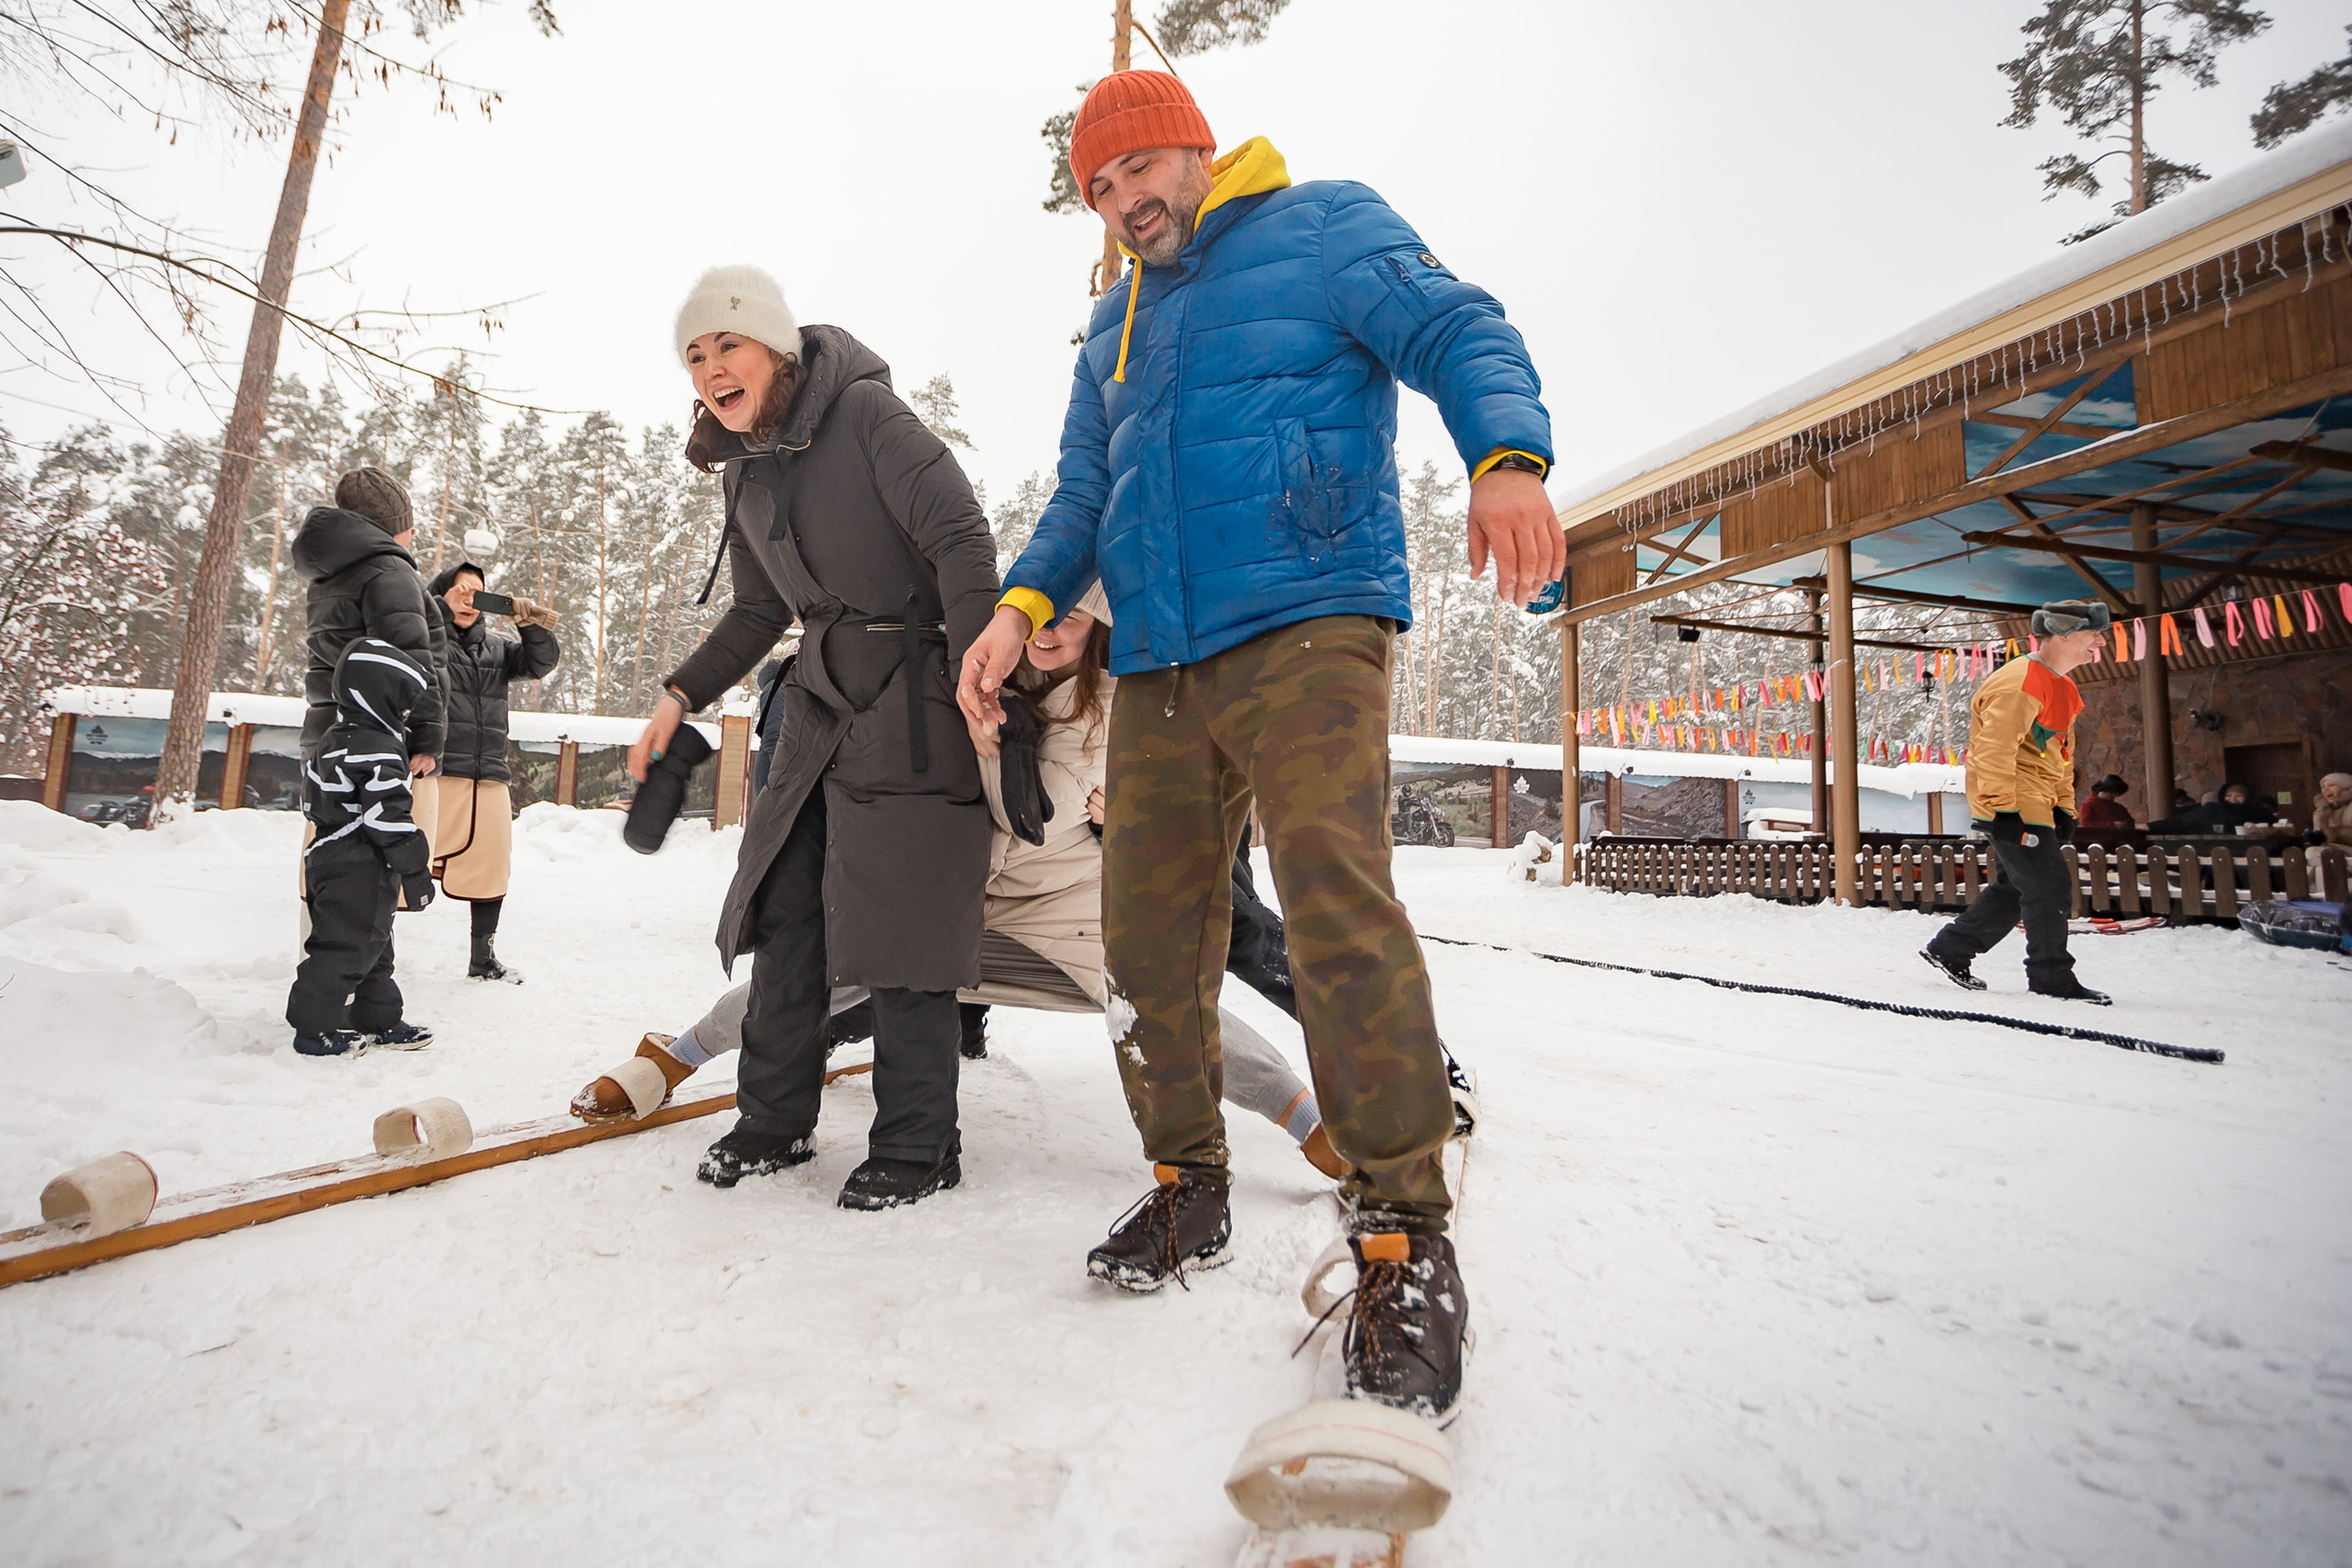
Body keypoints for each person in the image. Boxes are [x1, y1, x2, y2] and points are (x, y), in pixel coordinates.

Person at [956, 71, 1559, 1424]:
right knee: (1147, 937)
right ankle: (1189, 1180)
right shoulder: (1111, 326)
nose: (1122, 207)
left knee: (1334, 893)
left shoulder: (1326, 226)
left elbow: (1459, 326)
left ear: (1192, 147)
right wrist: (1024, 605)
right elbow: (1082, 495)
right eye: (1098, 192)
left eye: (1133, 175)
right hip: (1162, 660)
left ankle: (1405, 1232)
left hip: (1310, 618)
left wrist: (1506, 453)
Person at [575, 588, 1351, 1180]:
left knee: (1168, 1007)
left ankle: (1307, 1115)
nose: (1047, 634)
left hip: (1068, 915)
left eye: (1069, 621)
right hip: (963, 903)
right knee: (816, 971)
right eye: (1038, 616)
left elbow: (1210, 797)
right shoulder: (974, 686)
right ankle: (672, 1056)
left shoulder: (1137, 713)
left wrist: (1145, 820)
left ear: (1099, 628)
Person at [628, 266, 1000, 1212]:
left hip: (919, 698)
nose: (710, 369)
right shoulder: (746, 466)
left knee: (901, 931)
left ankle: (919, 1146)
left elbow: (961, 538)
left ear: (776, 349)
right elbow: (759, 611)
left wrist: (976, 674)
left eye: (727, 346)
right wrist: (680, 694)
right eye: (695, 355)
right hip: (823, 706)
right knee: (788, 915)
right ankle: (770, 1122)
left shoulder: (870, 418)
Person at [289, 467, 445, 1011]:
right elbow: (414, 663)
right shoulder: (388, 572)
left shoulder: (327, 574)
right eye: (407, 525)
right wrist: (427, 735)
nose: (413, 536)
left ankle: (364, 993)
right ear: (389, 526)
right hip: (376, 735)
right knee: (377, 867)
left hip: (327, 739)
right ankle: (337, 1001)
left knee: (339, 867)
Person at [1922, 601, 2111, 1004]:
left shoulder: (2064, 687)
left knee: (2017, 887)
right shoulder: (2021, 680)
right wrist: (2002, 809)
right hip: (2013, 798)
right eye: (2093, 632)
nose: (2101, 640)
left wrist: (2063, 805)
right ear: (2064, 634)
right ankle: (2051, 977)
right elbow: (1993, 749)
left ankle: (1952, 948)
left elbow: (2062, 754)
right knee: (2048, 885)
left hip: (2035, 799)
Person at [286, 639, 439, 1056]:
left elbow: (316, 803)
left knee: (372, 944)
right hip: (357, 862)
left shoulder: (336, 739)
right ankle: (313, 1029)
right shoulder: (375, 746)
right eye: (402, 705)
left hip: (333, 857)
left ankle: (377, 1016)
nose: (405, 716)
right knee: (343, 949)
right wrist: (415, 871)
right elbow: (386, 817)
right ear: (379, 696)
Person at [420, 562, 560, 983]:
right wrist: (437, 613)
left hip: (490, 775)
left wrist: (530, 625)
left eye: (478, 592)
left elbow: (540, 663)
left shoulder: (497, 649)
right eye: (460, 590)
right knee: (407, 859)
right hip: (439, 772)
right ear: (440, 595)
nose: (469, 598)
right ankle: (375, 952)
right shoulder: (424, 639)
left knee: (492, 866)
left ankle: (483, 957)